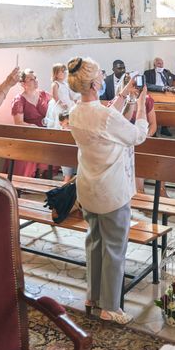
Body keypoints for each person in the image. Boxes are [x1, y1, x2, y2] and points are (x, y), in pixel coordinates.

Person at [68, 57, 148, 324]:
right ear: (94, 83)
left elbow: (106, 117)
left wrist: (124, 94)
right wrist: (142, 109)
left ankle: (92, 295)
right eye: (101, 73)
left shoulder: (75, 111)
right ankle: (111, 306)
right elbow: (136, 136)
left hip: (88, 188)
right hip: (111, 191)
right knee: (114, 247)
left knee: (95, 241)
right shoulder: (103, 115)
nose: (104, 76)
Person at [9, 69, 52, 177]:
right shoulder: (19, 100)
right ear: (23, 84)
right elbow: (18, 122)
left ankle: (43, 174)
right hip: (29, 133)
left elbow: (56, 109)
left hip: (46, 132)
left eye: (35, 78)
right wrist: (34, 127)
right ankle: (29, 176)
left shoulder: (45, 95)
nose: (35, 81)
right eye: (31, 79)